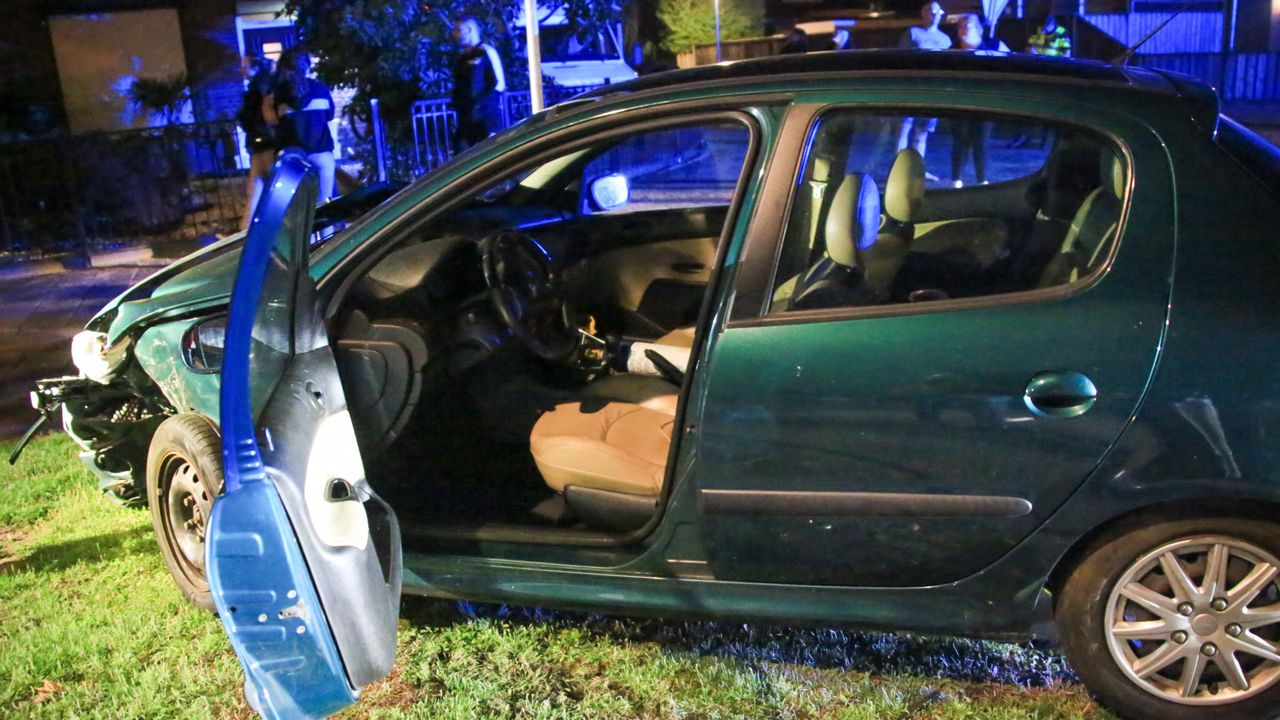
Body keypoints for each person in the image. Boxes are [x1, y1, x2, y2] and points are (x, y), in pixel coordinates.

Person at [269, 46, 336, 203]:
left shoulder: (279, 93)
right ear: (307, 66)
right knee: (326, 202)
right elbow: (329, 116)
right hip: (321, 152)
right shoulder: (321, 89)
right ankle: (328, 227)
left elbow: (273, 121)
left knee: (295, 206)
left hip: (292, 154)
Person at [949, 15, 1009, 188]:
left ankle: (982, 181)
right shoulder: (951, 51)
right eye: (961, 26)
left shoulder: (995, 46)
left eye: (969, 25)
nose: (964, 29)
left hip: (985, 102)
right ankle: (956, 180)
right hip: (958, 104)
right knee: (960, 141)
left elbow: (1011, 66)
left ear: (979, 29)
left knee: (981, 142)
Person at [897, 2, 951, 173]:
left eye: (938, 12)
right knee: (904, 128)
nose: (935, 15)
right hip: (910, 88)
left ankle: (917, 170)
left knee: (923, 131)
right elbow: (899, 58)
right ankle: (898, 168)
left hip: (932, 90)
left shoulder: (945, 40)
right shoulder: (912, 33)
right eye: (931, 11)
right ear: (923, 13)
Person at [451, 16, 506, 153]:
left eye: (458, 30)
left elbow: (499, 84)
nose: (455, 34)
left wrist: (481, 106)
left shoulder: (487, 52)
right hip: (466, 123)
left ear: (469, 30)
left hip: (485, 122)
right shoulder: (461, 58)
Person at [237, 51, 276, 230]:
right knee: (256, 188)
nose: (241, 69)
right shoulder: (263, 83)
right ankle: (245, 232)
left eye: (244, 66)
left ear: (255, 67)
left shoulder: (259, 86)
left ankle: (248, 232)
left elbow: (252, 116)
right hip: (261, 142)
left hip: (264, 142)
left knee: (265, 187)